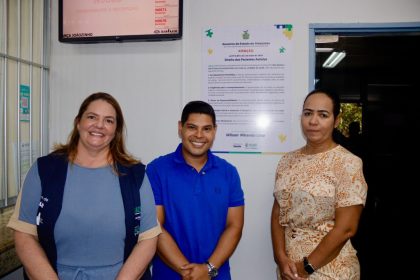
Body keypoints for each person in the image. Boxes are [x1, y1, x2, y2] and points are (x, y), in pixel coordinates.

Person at [7, 92, 161, 280]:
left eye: (109, 121)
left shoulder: (134, 176)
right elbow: (24, 235)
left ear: (116, 130)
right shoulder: (44, 170)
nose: (99, 125)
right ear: (78, 122)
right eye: (92, 117)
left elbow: (148, 239)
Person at [271, 89, 367, 280]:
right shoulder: (286, 161)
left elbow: (346, 228)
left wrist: (305, 267)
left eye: (323, 115)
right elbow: (277, 215)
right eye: (308, 113)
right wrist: (281, 259)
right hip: (289, 271)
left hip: (331, 270)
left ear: (336, 121)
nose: (313, 121)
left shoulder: (347, 163)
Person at [146, 100, 245, 280]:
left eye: (206, 129)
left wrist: (208, 269)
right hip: (169, 274)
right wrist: (189, 272)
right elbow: (155, 226)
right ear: (180, 128)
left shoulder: (229, 173)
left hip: (215, 274)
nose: (199, 135)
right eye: (192, 127)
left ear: (214, 130)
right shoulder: (156, 170)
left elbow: (235, 226)